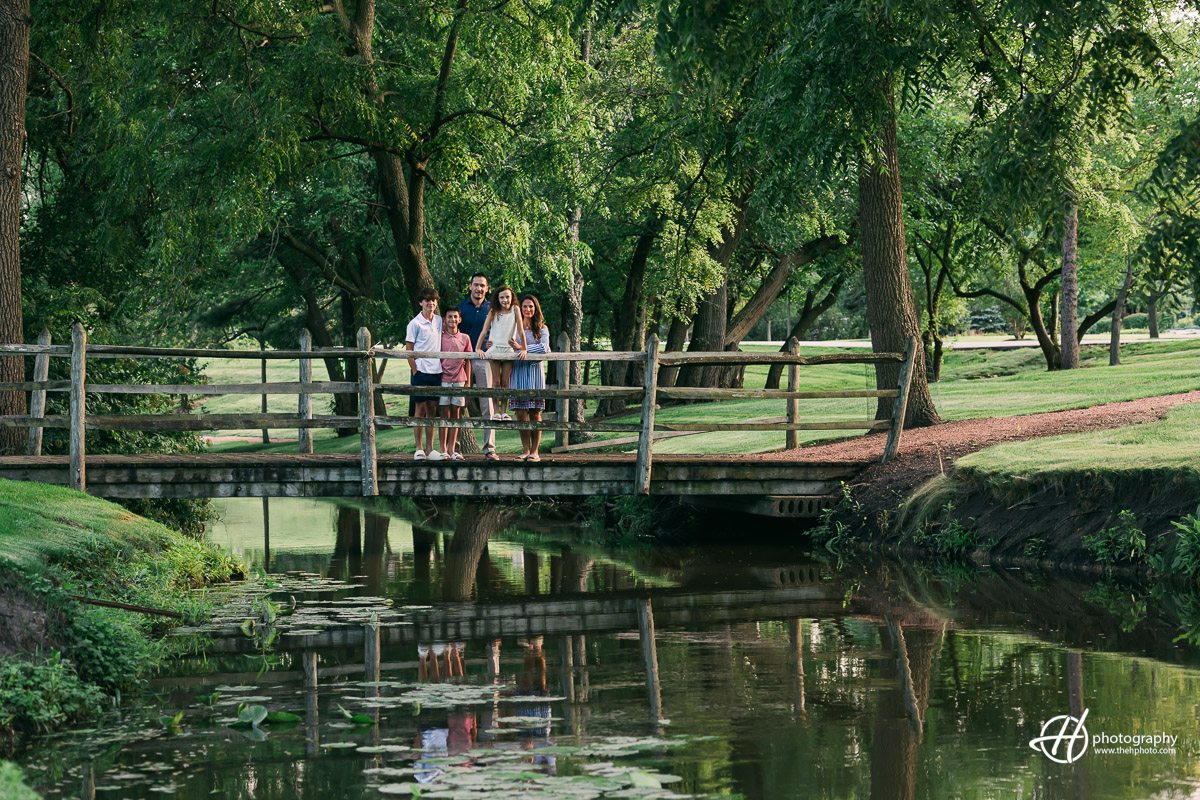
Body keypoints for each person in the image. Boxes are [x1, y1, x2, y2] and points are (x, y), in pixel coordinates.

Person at [456, 275, 498, 461]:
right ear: (470, 286)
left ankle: (489, 448)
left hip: (483, 359)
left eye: (482, 286)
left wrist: (494, 343)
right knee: (457, 403)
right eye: (476, 285)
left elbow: (501, 332)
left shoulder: (493, 308)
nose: (478, 289)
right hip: (463, 360)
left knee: (487, 404)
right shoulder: (461, 308)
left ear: (487, 288)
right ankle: (455, 449)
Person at [508, 294, 550, 461]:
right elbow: (507, 348)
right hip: (517, 372)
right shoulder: (513, 328)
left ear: (536, 308)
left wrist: (523, 348)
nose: (527, 309)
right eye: (524, 307)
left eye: (531, 306)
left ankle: (535, 451)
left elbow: (545, 349)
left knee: (534, 412)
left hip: (534, 373)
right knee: (520, 413)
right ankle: (525, 450)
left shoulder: (542, 329)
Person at [405, 287, 442, 461]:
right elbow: (409, 349)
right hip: (420, 371)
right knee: (419, 410)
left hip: (436, 372)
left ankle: (430, 449)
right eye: (427, 300)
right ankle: (418, 448)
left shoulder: (440, 321)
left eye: (433, 300)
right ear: (421, 302)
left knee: (432, 410)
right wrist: (415, 370)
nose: (431, 303)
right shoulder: (415, 323)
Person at [476, 286, 518, 422]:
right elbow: (484, 331)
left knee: (505, 382)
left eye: (507, 297)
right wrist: (478, 348)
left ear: (511, 297)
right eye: (502, 297)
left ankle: (504, 412)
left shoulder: (515, 310)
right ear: (497, 299)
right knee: (496, 381)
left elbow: (521, 331)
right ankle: (495, 412)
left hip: (508, 350)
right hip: (495, 349)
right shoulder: (493, 311)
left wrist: (523, 348)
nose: (505, 300)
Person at [438, 306, 472, 461]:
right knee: (444, 415)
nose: (452, 320)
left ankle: (453, 449)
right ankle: (443, 449)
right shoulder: (440, 337)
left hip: (459, 379)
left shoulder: (465, 338)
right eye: (449, 317)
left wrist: (468, 381)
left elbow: (469, 359)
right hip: (443, 379)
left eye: (455, 317)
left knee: (456, 415)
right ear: (445, 319)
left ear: (460, 319)